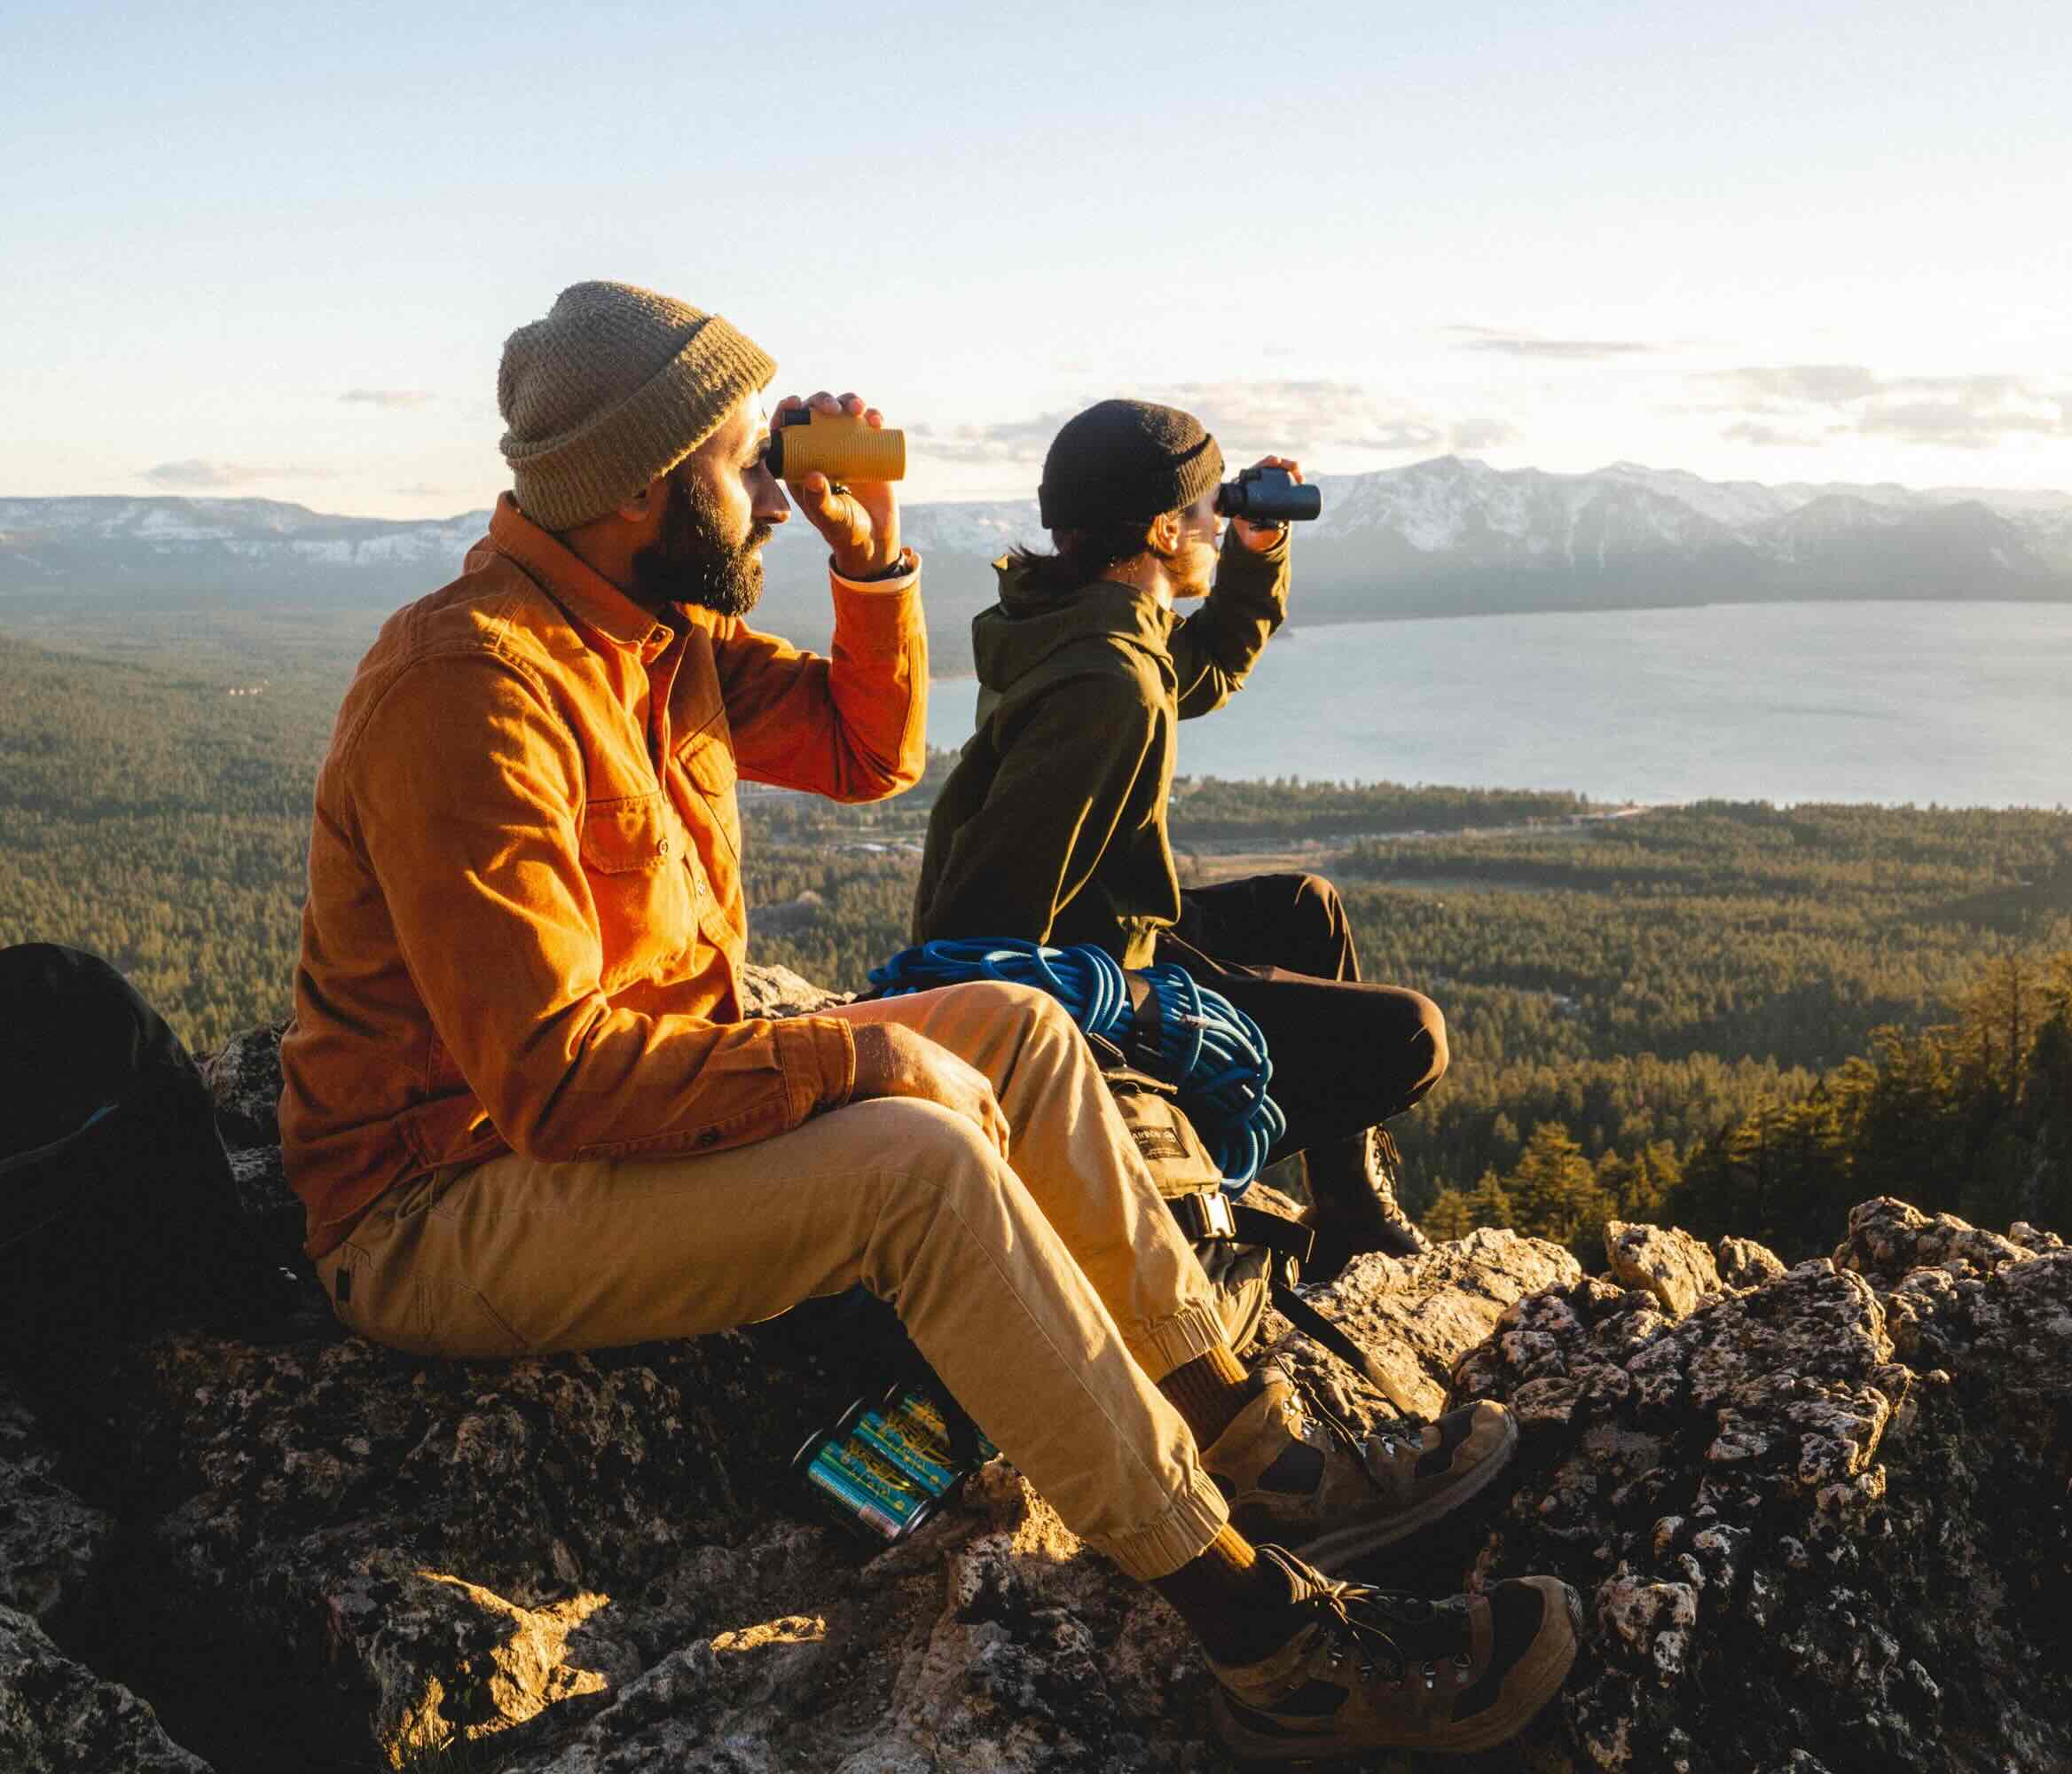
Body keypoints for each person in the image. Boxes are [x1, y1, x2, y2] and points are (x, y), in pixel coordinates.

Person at [275, 282, 1577, 1760]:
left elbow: (865, 749)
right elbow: (555, 1087)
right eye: (746, 466)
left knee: (1017, 1028)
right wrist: (860, 1055)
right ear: (641, 487)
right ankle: (1266, 1643)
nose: (775, 498)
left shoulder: (649, 638)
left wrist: (871, 557)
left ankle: (1253, 1448)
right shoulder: (471, 689)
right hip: (443, 1207)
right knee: (919, 1164)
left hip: (627, 1116)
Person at [911, 400, 1440, 1278]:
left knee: (1305, 911)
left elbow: (1210, 665)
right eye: (1206, 508)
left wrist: (1256, 552)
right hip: (1083, 985)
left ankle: (1346, 1207)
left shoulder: (1082, 619)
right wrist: (1137, 1018)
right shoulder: (1108, 684)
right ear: (1162, 529)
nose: (1217, 522)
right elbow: (980, 931)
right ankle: (1178, 1162)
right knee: (1412, 1036)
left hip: (1099, 925)